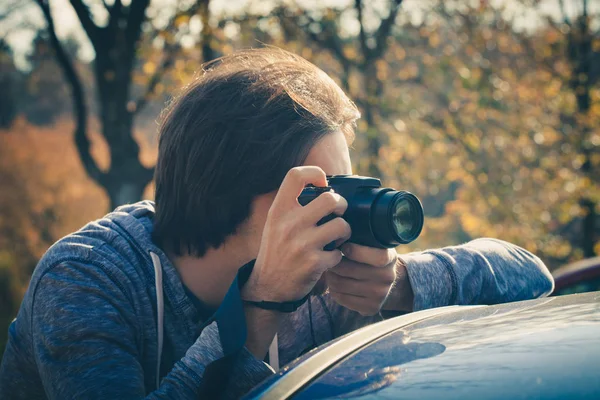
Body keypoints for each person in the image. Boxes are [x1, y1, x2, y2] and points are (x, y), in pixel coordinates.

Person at [0, 48, 554, 399]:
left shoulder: (321, 281)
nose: (342, 214)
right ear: (235, 187)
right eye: (323, 192)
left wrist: (402, 283)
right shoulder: (88, 280)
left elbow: (530, 276)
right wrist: (260, 306)